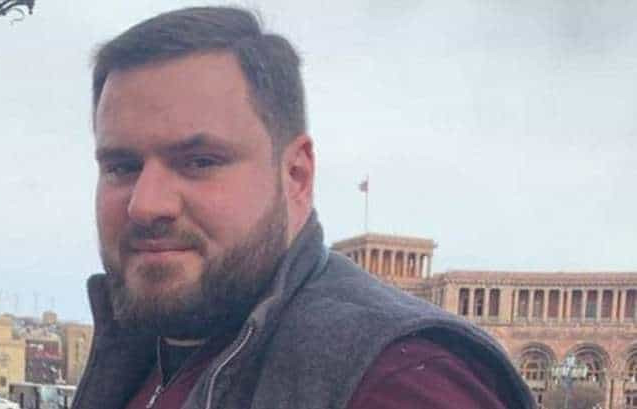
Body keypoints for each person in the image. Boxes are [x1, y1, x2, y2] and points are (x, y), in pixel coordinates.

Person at [72, 6, 535, 409]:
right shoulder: (148, 347)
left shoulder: (395, 381)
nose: (146, 204)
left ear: (296, 175)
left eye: (199, 162)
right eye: (121, 167)